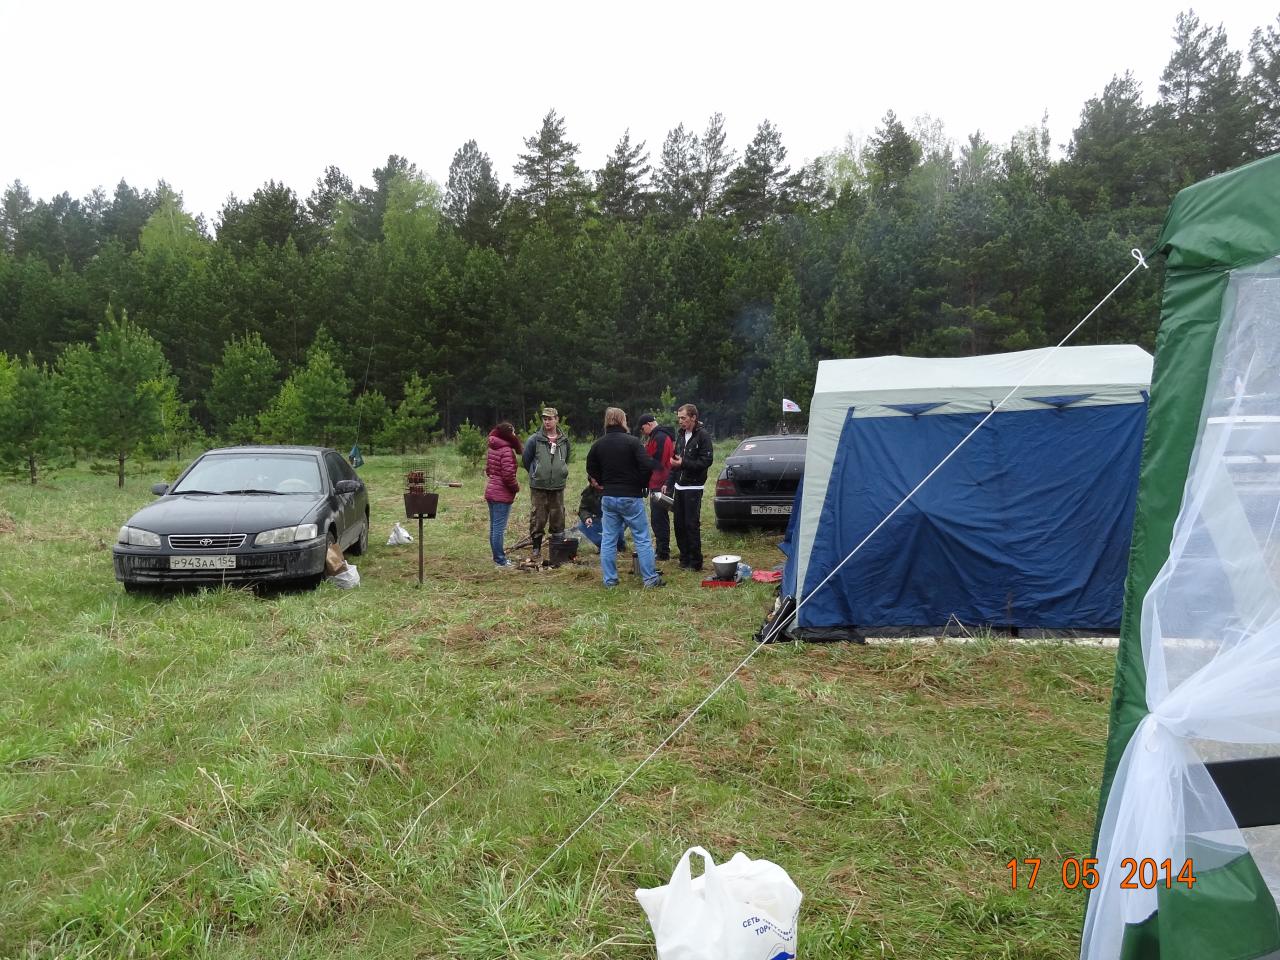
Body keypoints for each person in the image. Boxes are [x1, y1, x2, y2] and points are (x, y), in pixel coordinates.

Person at [585, 407, 664, 589]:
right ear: (622, 421)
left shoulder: (598, 444)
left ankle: (610, 581)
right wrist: (641, 483)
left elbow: (590, 467)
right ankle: (650, 579)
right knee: (642, 538)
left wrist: (602, 482)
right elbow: (646, 465)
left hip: (609, 497)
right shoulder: (633, 442)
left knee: (608, 540)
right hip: (631, 497)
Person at [668, 403, 714, 572]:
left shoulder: (703, 436)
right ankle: (684, 558)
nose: (680, 421)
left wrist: (683, 463)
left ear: (693, 417)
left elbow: (706, 461)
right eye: (679, 418)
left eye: (683, 418)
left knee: (691, 524)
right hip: (679, 486)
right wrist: (668, 483)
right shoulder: (680, 435)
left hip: (694, 486)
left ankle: (695, 562)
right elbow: (676, 461)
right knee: (678, 524)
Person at [522, 406, 571, 559]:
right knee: (538, 516)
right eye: (544, 419)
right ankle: (536, 547)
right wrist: (536, 473)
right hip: (539, 485)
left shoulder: (564, 440)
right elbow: (526, 460)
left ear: (556, 419)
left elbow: (566, 459)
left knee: (558, 516)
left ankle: (557, 547)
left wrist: (560, 471)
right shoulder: (534, 440)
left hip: (557, 485)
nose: (547, 422)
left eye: (550, 419)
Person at [483, 422, 522, 568]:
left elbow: (489, 470)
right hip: (501, 495)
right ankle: (500, 560)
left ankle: (497, 557)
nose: (515, 435)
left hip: (491, 491)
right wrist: (516, 488)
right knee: (499, 529)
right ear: (508, 434)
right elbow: (508, 475)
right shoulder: (506, 450)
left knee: (494, 527)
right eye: (513, 432)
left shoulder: (493, 448)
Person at [637, 413, 675, 560]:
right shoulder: (656, 436)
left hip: (661, 484)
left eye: (642, 429)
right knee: (657, 518)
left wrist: (643, 457)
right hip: (657, 482)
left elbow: (658, 463)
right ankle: (661, 549)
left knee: (659, 519)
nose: (642, 432)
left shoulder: (660, 437)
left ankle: (663, 552)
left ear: (649, 424)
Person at [575, 479, 628, 554]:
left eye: (599, 479)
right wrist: (587, 518)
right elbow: (583, 509)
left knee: (619, 526)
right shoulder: (588, 492)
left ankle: (620, 545)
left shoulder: (612, 488)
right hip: (598, 519)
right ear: (591, 484)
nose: (599, 482)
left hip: (615, 518)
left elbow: (623, 507)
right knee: (581, 526)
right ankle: (603, 544)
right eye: (595, 481)